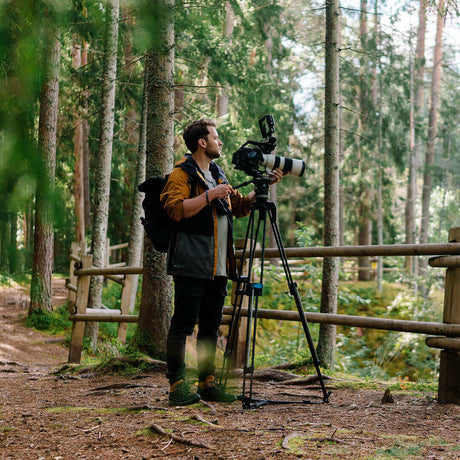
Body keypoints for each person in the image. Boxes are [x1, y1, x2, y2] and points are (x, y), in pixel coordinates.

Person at [160, 118, 283, 406]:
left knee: (211, 328)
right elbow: (176, 210)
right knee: (183, 325)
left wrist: (262, 187)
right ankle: (177, 386)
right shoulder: (182, 175)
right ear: (202, 142)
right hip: (191, 263)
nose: (221, 142)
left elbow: (239, 206)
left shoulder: (218, 173)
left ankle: (207, 383)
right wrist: (208, 195)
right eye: (216, 137)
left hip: (219, 266)